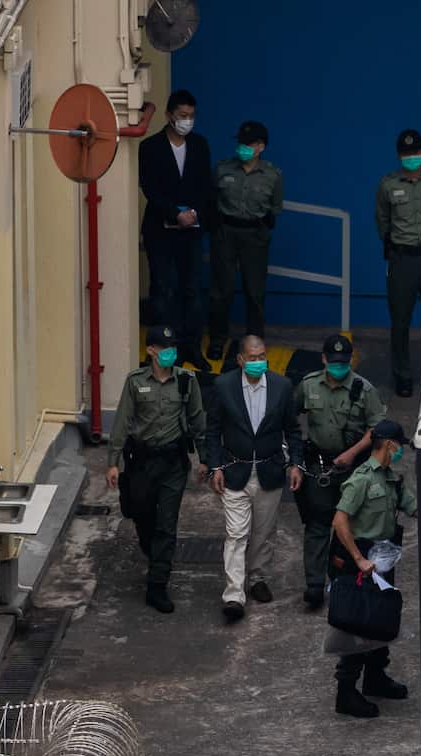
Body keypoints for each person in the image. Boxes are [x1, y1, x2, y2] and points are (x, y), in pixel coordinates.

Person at [106, 325, 208, 613]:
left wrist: (205, 459)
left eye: (173, 348)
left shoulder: (187, 381)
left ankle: (157, 584)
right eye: (165, 348)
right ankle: (155, 557)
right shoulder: (135, 382)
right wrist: (113, 462)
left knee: (167, 523)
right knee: (141, 515)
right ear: (151, 350)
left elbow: (198, 420)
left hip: (173, 463)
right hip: (141, 462)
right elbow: (123, 422)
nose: (170, 353)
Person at [205, 335, 303, 622]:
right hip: (234, 471)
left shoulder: (282, 387)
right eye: (252, 357)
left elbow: (293, 430)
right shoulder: (223, 386)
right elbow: (213, 431)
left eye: (262, 357)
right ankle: (234, 594)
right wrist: (215, 467)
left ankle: (258, 577)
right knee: (236, 534)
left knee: (264, 531)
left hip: (269, 471)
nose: (258, 362)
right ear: (240, 360)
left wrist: (295, 464)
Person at [329, 419, 417, 718]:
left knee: (381, 618)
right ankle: (346, 692)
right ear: (389, 445)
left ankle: (376, 678)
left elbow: (414, 508)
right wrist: (358, 559)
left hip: (383, 561)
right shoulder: (362, 479)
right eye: (399, 445)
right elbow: (340, 521)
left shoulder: (392, 479)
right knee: (358, 623)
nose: (401, 450)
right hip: (361, 563)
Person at [293, 334, 386, 610]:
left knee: (350, 525)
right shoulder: (309, 385)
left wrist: (353, 452)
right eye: (334, 362)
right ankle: (314, 584)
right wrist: (294, 457)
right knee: (318, 523)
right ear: (324, 359)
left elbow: (377, 428)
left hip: (352, 468)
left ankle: (343, 579)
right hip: (319, 466)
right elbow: (289, 416)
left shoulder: (364, 390)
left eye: (344, 363)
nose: (338, 367)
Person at [138, 90, 213, 371]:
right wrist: (174, 214)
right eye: (182, 115)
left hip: (191, 231)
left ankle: (191, 347)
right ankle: (161, 348)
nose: (187, 121)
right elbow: (150, 188)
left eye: (191, 116)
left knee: (191, 290)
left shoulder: (200, 145)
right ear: (169, 115)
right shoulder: (150, 147)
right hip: (160, 231)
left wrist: (194, 214)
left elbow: (205, 186)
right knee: (161, 289)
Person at [375, 129, 421, 398]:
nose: (411, 157)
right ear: (399, 155)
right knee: (400, 321)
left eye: (415, 152)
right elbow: (382, 220)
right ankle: (402, 376)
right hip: (403, 260)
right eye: (406, 154)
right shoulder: (387, 184)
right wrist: (394, 247)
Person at [209, 121, 284, 359]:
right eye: (241, 142)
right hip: (226, 233)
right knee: (222, 290)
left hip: (255, 235)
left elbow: (275, 207)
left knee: (255, 292)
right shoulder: (222, 169)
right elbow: (211, 199)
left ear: (261, 146)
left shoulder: (272, 175)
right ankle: (217, 339)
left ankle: (255, 344)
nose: (243, 147)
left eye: (249, 143)